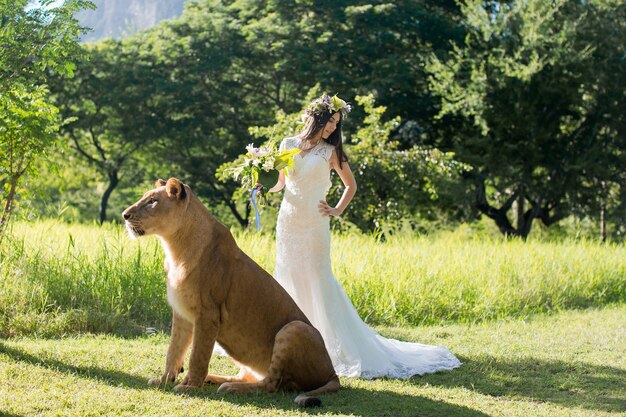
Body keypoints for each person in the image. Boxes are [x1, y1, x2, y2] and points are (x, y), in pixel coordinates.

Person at [264, 93, 461, 379]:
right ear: (315, 117)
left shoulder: (330, 151)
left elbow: (350, 186)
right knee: (289, 277)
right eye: (329, 121)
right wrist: (262, 182)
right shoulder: (287, 145)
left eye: (336, 123)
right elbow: (280, 184)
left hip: (315, 224)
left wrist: (336, 210)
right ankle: (288, 342)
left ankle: (328, 347)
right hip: (289, 222)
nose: (332, 128)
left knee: (318, 279)